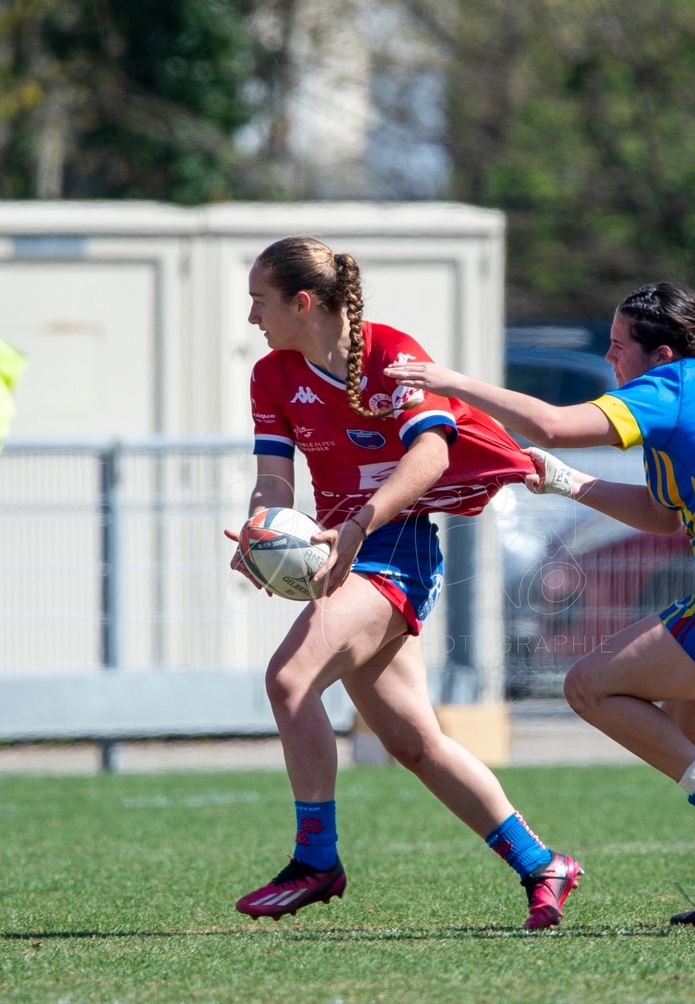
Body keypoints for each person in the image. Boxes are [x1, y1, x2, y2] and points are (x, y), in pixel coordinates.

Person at [389, 282, 695, 927]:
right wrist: (564, 481)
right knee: (689, 735)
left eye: (617, 345)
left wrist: (450, 381)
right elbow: (661, 516)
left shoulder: (672, 386)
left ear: (658, 353)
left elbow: (551, 422)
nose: (609, 358)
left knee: (590, 688)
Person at [224, 236, 583, 930]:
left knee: (290, 679)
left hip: (394, 548)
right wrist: (259, 533)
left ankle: (315, 861)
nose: (251, 320)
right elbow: (274, 479)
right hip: (342, 549)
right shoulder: (271, 377)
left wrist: (358, 525)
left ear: (303, 303)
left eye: (258, 303)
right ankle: (542, 863)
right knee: (414, 744)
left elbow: (431, 450)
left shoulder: (388, 352)